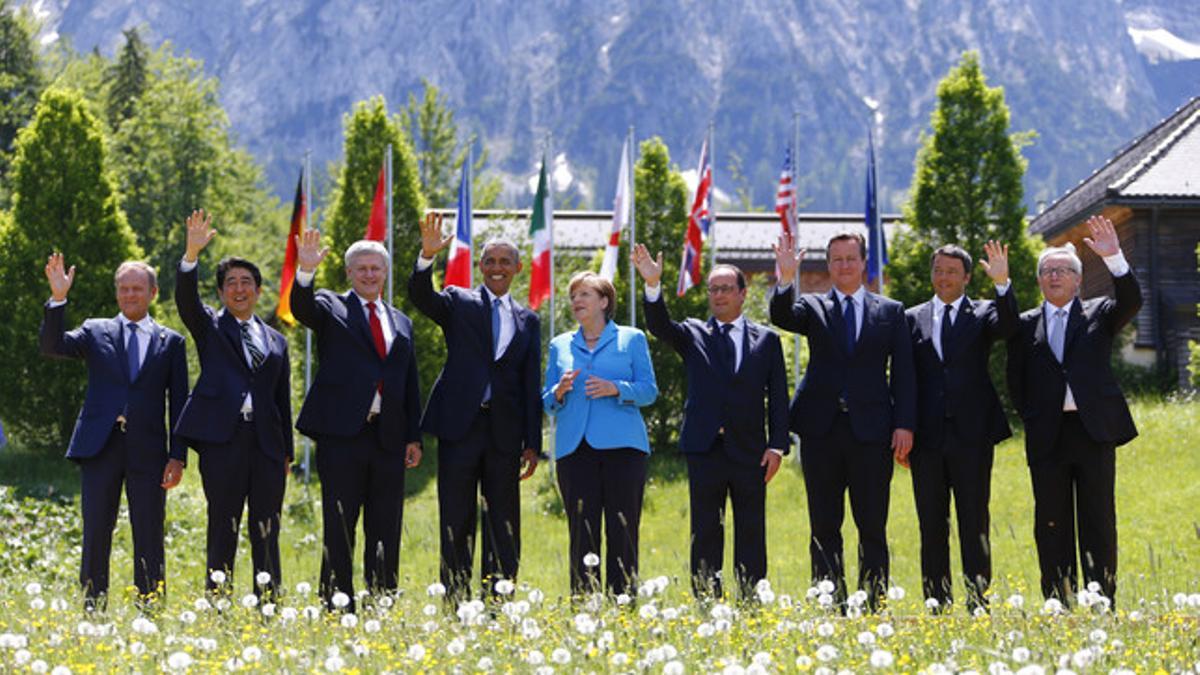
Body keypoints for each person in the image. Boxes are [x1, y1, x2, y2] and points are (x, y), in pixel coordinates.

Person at [771, 230, 916, 612]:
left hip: (872, 433)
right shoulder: (813, 308)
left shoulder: (890, 311)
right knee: (824, 525)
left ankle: (872, 605)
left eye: (851, 258)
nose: (844, 266)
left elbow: (903, 373)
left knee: (872, 526)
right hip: (822, 431)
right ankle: (828, 602)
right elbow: (782, 315)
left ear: (864, 263)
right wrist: (786, 279)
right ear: (829, 265)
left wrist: (904, 423)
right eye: (837, 260)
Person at [633, 245, 788, 601]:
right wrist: (653, 286)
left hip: (752, 452)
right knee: (705, 530)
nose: (718, 295)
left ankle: (751, 598)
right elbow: (659, 326)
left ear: (743, 294)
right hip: (704, 449)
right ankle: (707, 599)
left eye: (726, 289)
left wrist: (777, 446)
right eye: (713, 289)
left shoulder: (767, 340)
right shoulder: (693, 334)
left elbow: (778, 397)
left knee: (751, 529)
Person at [40, 254, 188, 610]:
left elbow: (180, 403)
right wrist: (58, 299)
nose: (129, 295)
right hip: (99, 448)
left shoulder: (171, 342)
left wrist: (178, 456)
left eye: (137, 288)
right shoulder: (95, 330)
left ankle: (149, 609)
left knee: (149, 532)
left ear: (152, 292)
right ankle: (92, 608)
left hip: (149, 452)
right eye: (123, 289)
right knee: (95, 533)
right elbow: (52, 346)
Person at [1007, 215, 1141, 606]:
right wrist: (1034, 416)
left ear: (1078, 279)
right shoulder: (1025, 325)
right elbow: (1016, 381)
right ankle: (1057, 601)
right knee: (1051, 523)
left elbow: (1132, 301)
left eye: (1063, 270)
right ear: (1038, 280)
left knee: (1098, 520)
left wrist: (1114, 257)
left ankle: (1101, 601)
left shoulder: (1099, 313)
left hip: (1093, 431)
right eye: (1047, 271)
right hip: (1047, 435)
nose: (1054, 276)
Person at [408, 212, 541, 602]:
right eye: (490, 261)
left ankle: (499, 602)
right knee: (456, 516)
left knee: (503, 521)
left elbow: (529, 382)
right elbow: (421, 297)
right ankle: (455, 600)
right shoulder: (458, 301)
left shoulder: (528, 319)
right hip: (460, 428)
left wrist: (532, 442)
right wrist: (425, 259)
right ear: (480, 267)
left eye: (505, 262)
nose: (497, 268)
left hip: (505, 432)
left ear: (518, 268)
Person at [290, 230, 423, 611]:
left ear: (385, 273)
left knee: (386, 527)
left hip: (388, 437)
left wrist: (412, 435)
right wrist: (306, 271)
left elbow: (408, 381)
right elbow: (302, 308)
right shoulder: (331, 307)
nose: (369, 275)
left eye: (375, 268)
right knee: (340, 525)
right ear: (349, 273)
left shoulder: (400, 321)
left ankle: (381, 601)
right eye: (361, 268)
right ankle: (336, 605)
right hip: (342, 436)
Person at [173, 209, 292, 598]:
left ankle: (269, 603)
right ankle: (218, 603)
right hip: (222, 442)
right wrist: (191, 254)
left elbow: (281, 399)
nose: (239, 289)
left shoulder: (276, 340)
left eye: (246, 283)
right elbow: (186, 300)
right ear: (222, 292)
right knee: (222, 525)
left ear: (259, 291)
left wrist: (286, 453)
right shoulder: (210, 326)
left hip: (267, 446)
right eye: (231, 283)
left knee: (266, 529)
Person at [901, 241, 1016, 614]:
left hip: (972, 437)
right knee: (931, 525)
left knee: (974, 522)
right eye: (938, 270)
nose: (944, 277)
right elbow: (903, 379)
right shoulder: (911, 317)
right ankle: (937, 603)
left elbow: (1011, 327)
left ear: (966, 277)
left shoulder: (983, 313)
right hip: (926, 439)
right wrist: (903, 427)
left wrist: (1002, 284)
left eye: (952, 271)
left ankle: (979, 602)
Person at [543, 272, 657, 596]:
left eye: (584, 294)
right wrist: (560, 390)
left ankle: (623, 605)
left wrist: (615, 388)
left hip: (625, 450)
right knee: (582, 533)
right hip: (574, 450)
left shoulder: (632, 339)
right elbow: (547, 403)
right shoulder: (559, 345)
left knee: (623, 530)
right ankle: (585, 609)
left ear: (604, 301)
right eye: (573, 296)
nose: (577, 301)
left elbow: (649, 391)